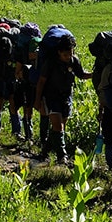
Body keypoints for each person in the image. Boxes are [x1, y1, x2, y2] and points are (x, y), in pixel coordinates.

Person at [33, 34, 92, 165]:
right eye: (66, 55)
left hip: (66, 97)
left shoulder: (74, 61)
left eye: (70, 54)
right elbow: (41, 82)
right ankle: (62, 157)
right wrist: (37, 100)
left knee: (58, 129)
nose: (68, 57)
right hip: (51, 97)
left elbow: (81, 75)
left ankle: (44, 152)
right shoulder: (51, 62)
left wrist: (95, 74)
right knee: (58, 127)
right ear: (59, 52)